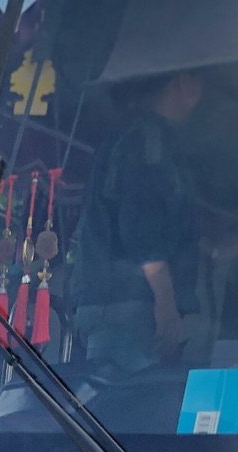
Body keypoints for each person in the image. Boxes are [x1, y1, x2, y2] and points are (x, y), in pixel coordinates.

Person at [71, 71, 204, 379]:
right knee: (126, 408)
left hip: (119, 307)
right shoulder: (148, 143)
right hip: (129, 309)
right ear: (182, 82)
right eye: (199, 83)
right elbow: (141, 232)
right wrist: (166, 305)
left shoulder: (133, 138)